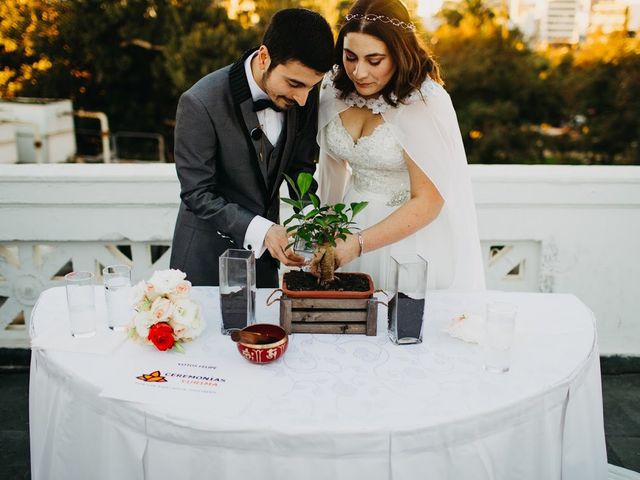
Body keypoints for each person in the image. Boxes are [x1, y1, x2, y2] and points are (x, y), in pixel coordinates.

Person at [317, 0, 485, 290]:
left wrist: (358, 244)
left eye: (374, 60)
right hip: (348, 223)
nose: (358, 72)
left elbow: (429, 200)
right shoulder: (334, 89)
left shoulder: (423, 102)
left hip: (408, 237)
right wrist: (326, 233)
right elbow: (332, 172)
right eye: (350, 56)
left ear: (398, 54)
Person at [170, 9, 334, 287]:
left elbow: (300, 169)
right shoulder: (199, 102)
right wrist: (264, 230)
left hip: (265, 266)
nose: (303, 99)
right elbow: (197, 193)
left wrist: (312, 230)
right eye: (294, 84)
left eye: (311, 87)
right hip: (206, 264)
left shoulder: (302, 94)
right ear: (264, 57)